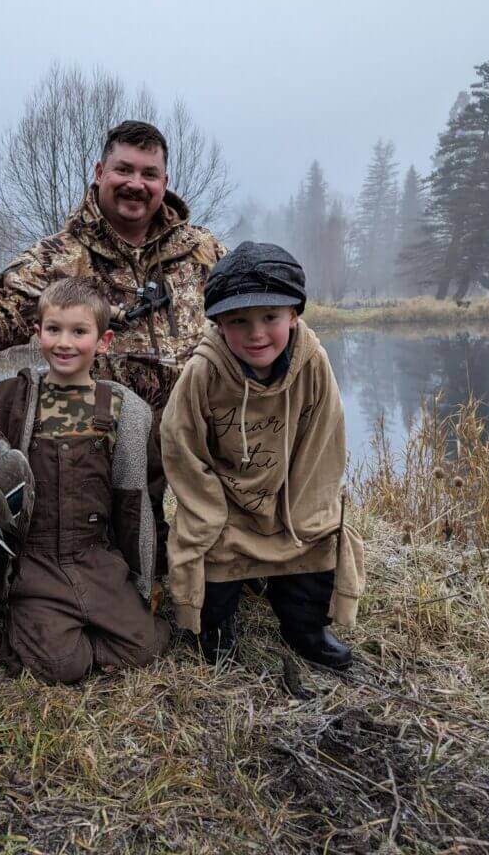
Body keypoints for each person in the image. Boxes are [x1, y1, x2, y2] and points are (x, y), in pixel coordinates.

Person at [0, 120, 223, 414]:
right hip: (97, 445)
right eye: (124, 169)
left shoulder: (201, 251)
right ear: (99, 172)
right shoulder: (57, 257)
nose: (136, 183)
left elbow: (251, 306)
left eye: (149, 174)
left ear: (165, 182)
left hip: (194, 444)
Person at [160, 242, 365, 668]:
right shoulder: (203, 372)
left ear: (293, 315)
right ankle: (216, 630)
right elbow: (182, 446)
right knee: (210, 565)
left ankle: (304, 628)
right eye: (239, 321)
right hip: (226, 505)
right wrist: (209, 512)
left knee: (315, 547)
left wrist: (304, 514)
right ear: (218, 323)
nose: (256, 333)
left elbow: (324, 444)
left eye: (270, 317)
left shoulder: (313, 364)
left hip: (290, 500)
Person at [0, 278, 170, 683]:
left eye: (79, 331)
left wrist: (146, 576)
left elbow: (139, 500)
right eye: (54, 329)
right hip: (36, 561)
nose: (64, 342)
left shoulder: (123, 410)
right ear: (38, 334)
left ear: (103, 341)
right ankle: (29, 619)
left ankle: (75, 627)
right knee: (60, 667)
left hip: (96, 557)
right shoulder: (7, 400)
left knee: (145, 647)